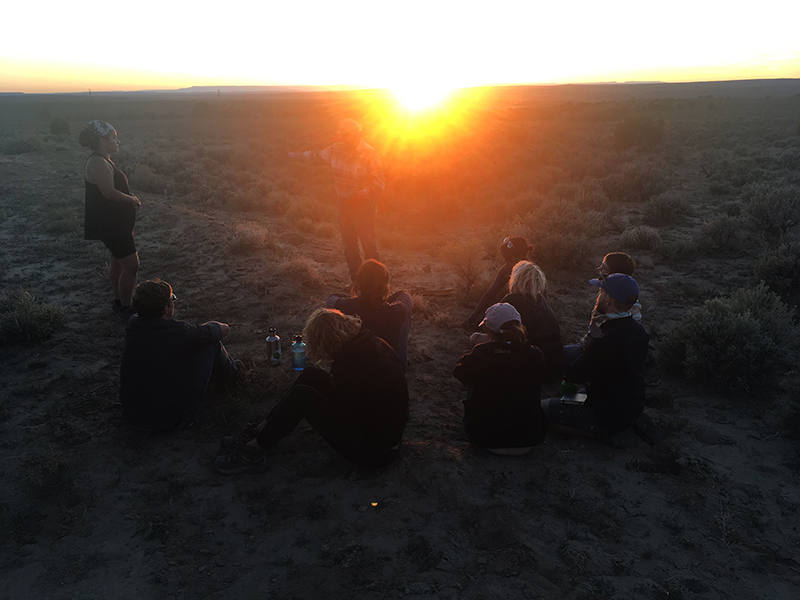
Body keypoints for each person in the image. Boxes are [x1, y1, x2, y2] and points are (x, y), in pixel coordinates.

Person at [215, 308, 409, 474]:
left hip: (376, 453)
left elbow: (347, 420)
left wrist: (317, 408)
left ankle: (254, 452)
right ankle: (262, 430)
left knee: (302, 397)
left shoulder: (348, 365)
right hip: (380, 433)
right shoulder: (370, 342)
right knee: (311, 374)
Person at [543, 274, 650, 448]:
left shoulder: (605, 340)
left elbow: (572, 374)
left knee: (543, 410)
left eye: (600, 291)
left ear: (608, 299)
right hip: (631, 404)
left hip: (607, 412)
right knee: (569, 398)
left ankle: (602, 435)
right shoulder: (639, 332)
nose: (597, 295)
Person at [120, 279, 241, 431]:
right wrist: (203, 330)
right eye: (172, 299)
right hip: (168, 419)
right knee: (210, 343)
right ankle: (233, 376)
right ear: (165, 308)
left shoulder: (132, 324)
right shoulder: (177, 332)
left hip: (132, 416)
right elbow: (221, 330)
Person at [288, 118, 385, 280]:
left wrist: (358, 195)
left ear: (359, 134)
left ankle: (377, 285)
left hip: (363, 207)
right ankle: (358, 283)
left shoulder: (370, 153)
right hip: (343, 205)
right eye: (344, 135)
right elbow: (314, 156)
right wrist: (290, 155)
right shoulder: (335, 150)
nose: (347, 138)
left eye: (351, 135)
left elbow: (379, 185)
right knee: (349, 247)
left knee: (369, 248)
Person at [453, 303, 547, 455]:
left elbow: (458, 372)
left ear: (488, 330)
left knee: (473, 377)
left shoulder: (482, 354)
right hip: (529, 440)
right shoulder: (535, 354)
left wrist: (481, 349)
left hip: (487, 440)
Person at [79, 120, 141, 320]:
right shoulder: (97, 162)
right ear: (102, 140)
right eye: (113, 137)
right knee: (132, 266)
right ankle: (126, 308)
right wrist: (131, 199)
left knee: (117, 263)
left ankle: (119, 302)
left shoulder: (103, 160)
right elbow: (108, 192)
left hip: (115, 224)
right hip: (113, 225)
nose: (117, 141)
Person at [325, 259, 412, 369]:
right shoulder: (395, 310)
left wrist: (356, 300)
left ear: (359, 283)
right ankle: (401, 361)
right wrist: (386, 300)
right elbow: (405, 297)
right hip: (390, 369)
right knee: (405, 311)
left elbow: (331, 299)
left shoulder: (348, 306)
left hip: (354, 369)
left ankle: (336, 357)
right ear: (384, 286)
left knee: (331, 310)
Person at [564, 251, 642, 365]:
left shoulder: (610, 306)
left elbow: (595, 342)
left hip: (601, 354)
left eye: (604, 267)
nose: (599, 268)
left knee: (558, 355)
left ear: (613, 273)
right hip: (619, 352)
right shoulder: (629, 300)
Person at [501, 261, 565, 383]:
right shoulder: (541, 300)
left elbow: (495, 328)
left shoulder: (511, 300)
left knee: (477, 339)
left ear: (515, 279)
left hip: (531, 362)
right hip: (555, 361)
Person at [461, 236, 533, 330]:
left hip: (529, 314)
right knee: (480, 319)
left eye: (507, 258)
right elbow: (491, 292)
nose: (505, 262)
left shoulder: (531, 274)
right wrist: (472, 317)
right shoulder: (507, 268)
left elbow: (537, 302)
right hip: (515, 310)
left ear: (517, 257)